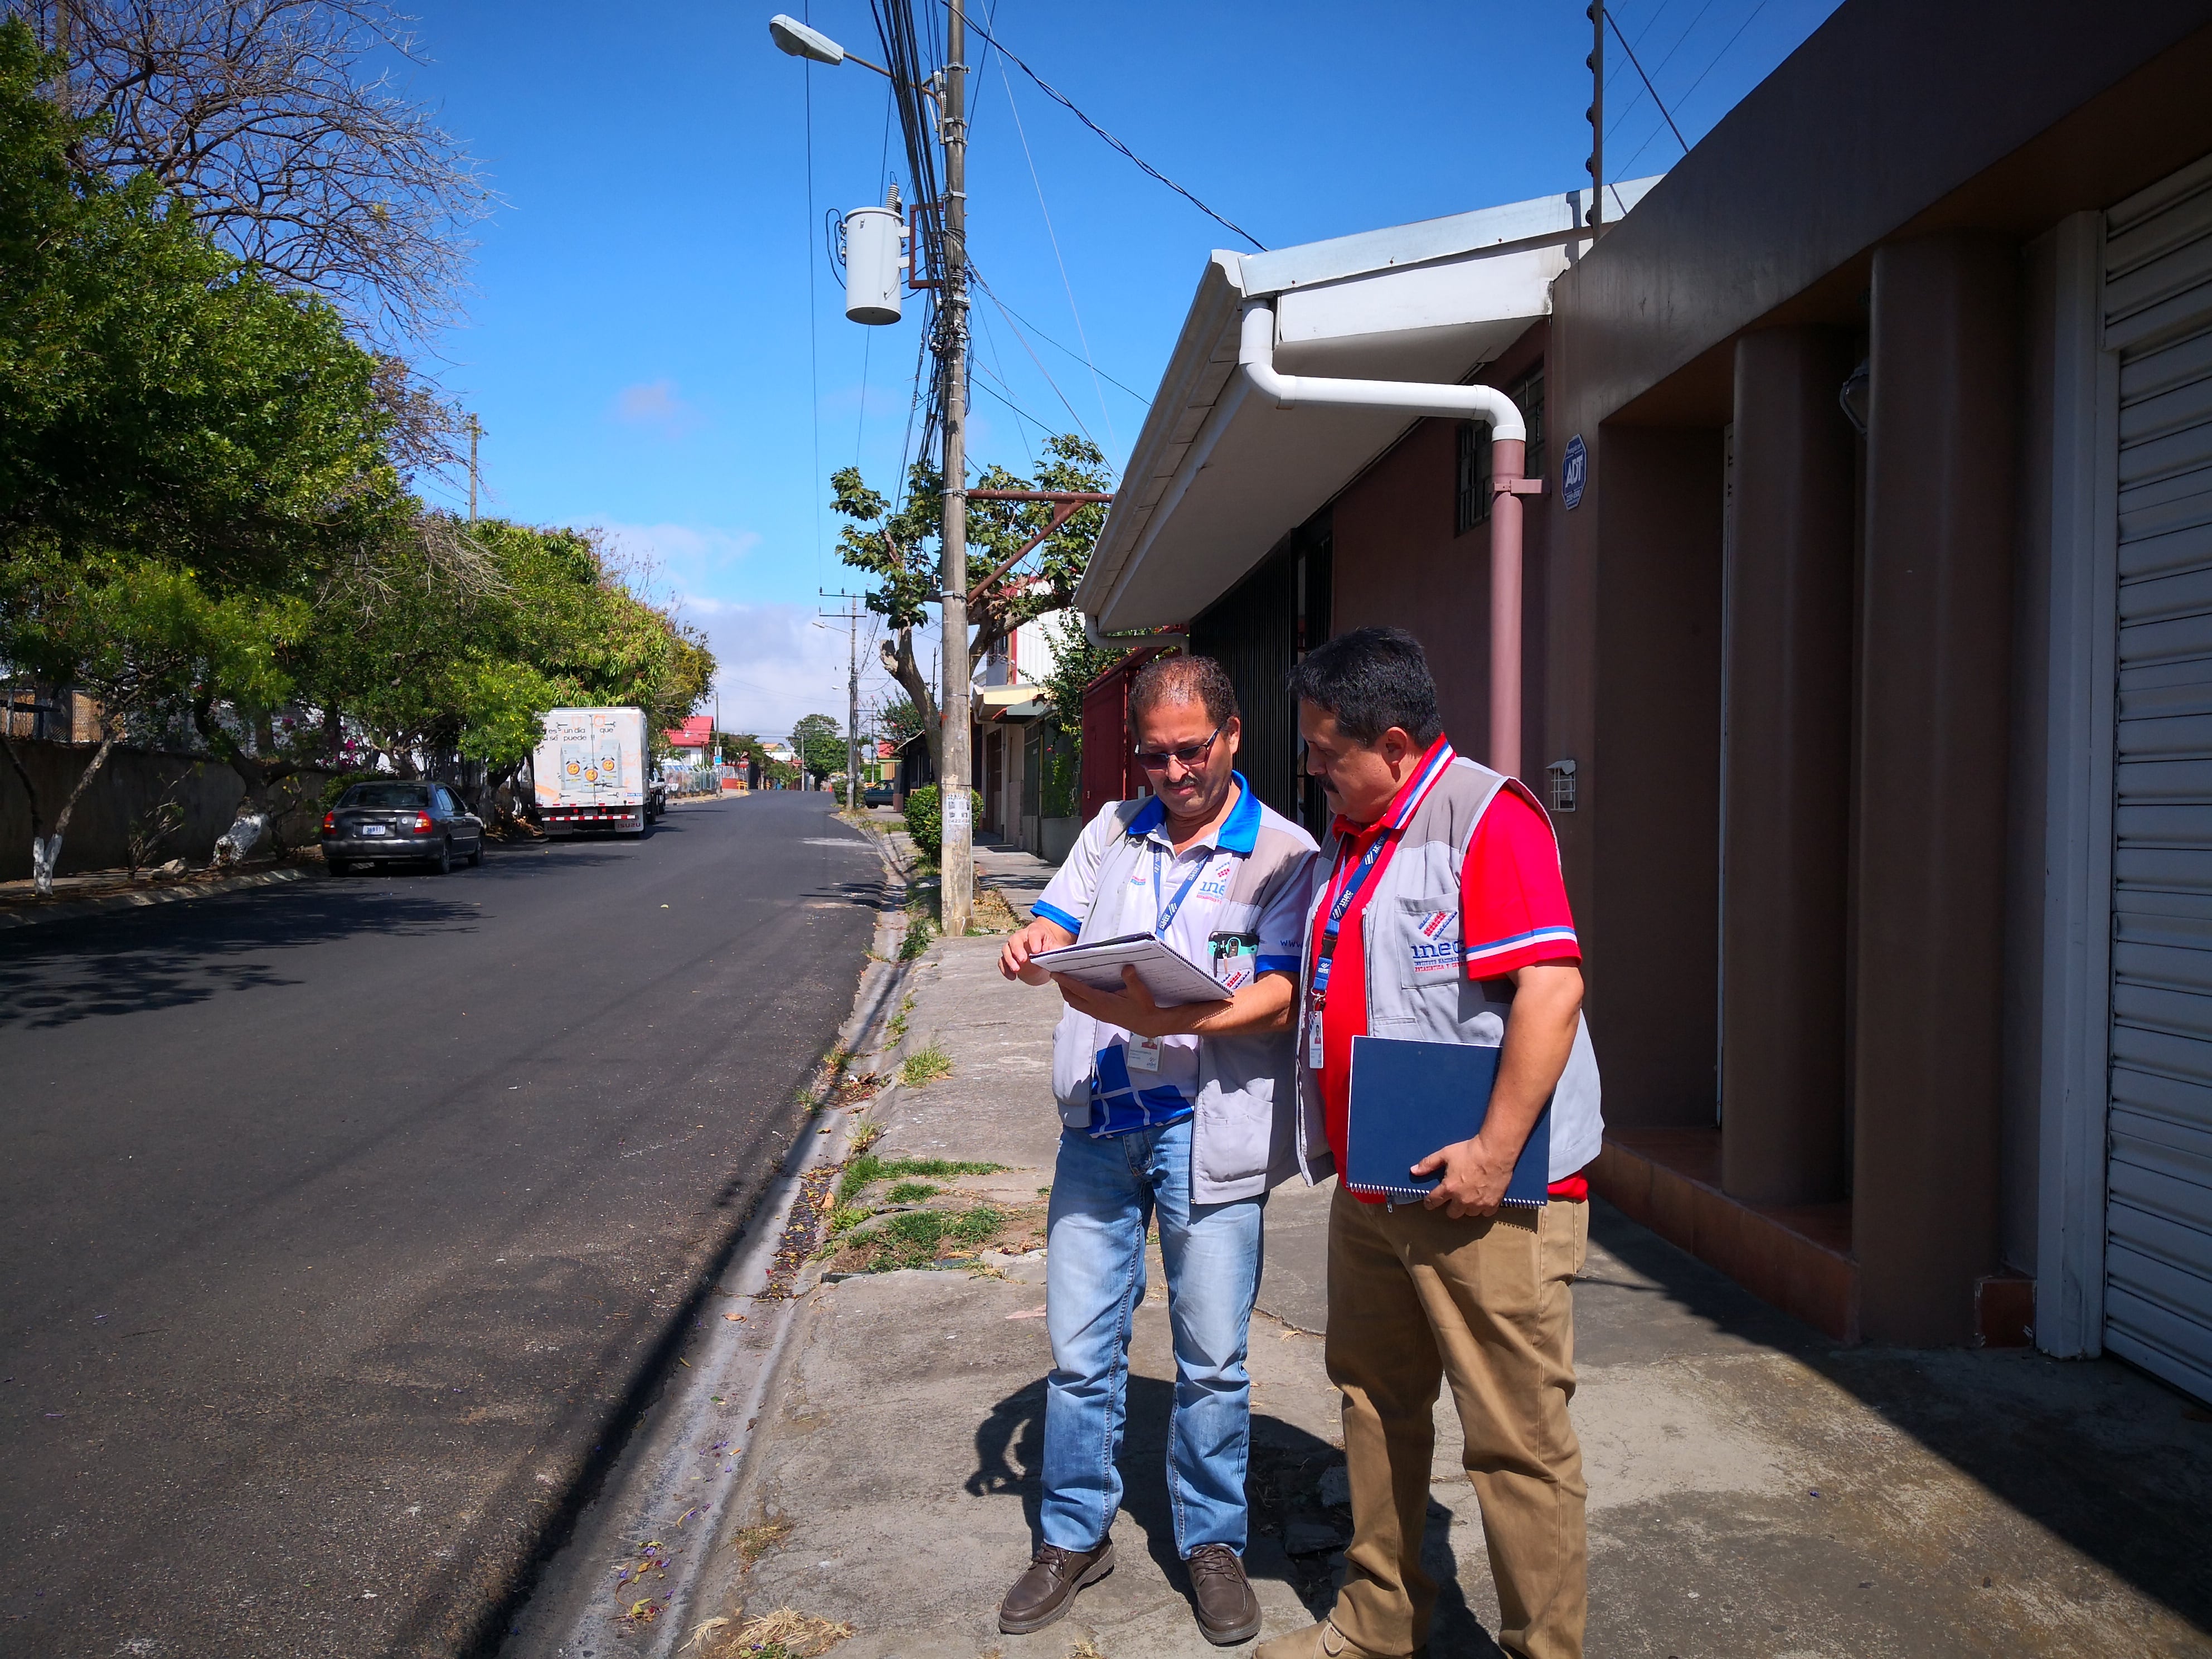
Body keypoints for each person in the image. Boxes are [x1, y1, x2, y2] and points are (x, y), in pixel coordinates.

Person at [1257, 627, 1603, 1659]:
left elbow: (1554, 989)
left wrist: (1495, 1151)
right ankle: (1379, 1621)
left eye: (1327, 751)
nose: (1313, 769)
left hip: (1482, 1197)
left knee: (1515, 1444)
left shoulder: (1485, 821)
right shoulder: (1355, 835)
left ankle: (1544, 1650)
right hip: (1377, 1184)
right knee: (1374, 1401)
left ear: (1397, 744)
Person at [996, 653, 1318, 1645]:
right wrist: (1031, 948)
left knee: (1214, 1357)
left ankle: (1211, 1544)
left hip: (1204, 1133)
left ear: (1230, 738)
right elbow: (1055, 922)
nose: (1172, 773)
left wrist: (1173, 1013)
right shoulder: (1113, 830)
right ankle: (1073, 1534)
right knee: (1079, 1349)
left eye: (1190, 752)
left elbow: (1286, 989)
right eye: (1153, 756)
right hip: (1102, 1123)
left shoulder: (1286, 854)